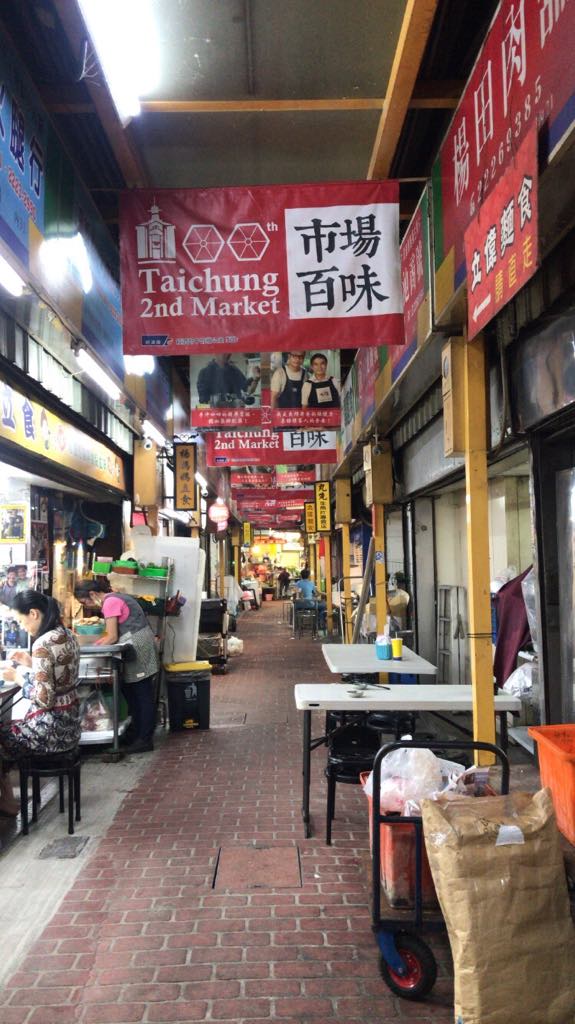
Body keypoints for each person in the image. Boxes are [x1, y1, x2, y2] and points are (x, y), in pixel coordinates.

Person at [0, 591, 80, 815]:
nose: (21, 626)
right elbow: (57, 675)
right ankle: (5, 798)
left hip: (51, 731)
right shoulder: (66, 633)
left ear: (33, 613)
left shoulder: (42, 644)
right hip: (71, 725)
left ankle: (5, 798)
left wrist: (16, 678)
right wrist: (31, 664)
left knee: (2, 735)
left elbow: (44, 700)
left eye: (20, 620)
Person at [75, 579, 159, 754]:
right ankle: (137, 734)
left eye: (86, 602)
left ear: (92, 594)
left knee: (141, 693)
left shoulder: (110, 602)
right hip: (138, 644)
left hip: (137, 646)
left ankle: (144, 739)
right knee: (132, 692)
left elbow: (112, 636)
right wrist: (97, 644)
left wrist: (94, 648)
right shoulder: (115, 597)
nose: (89, 606)